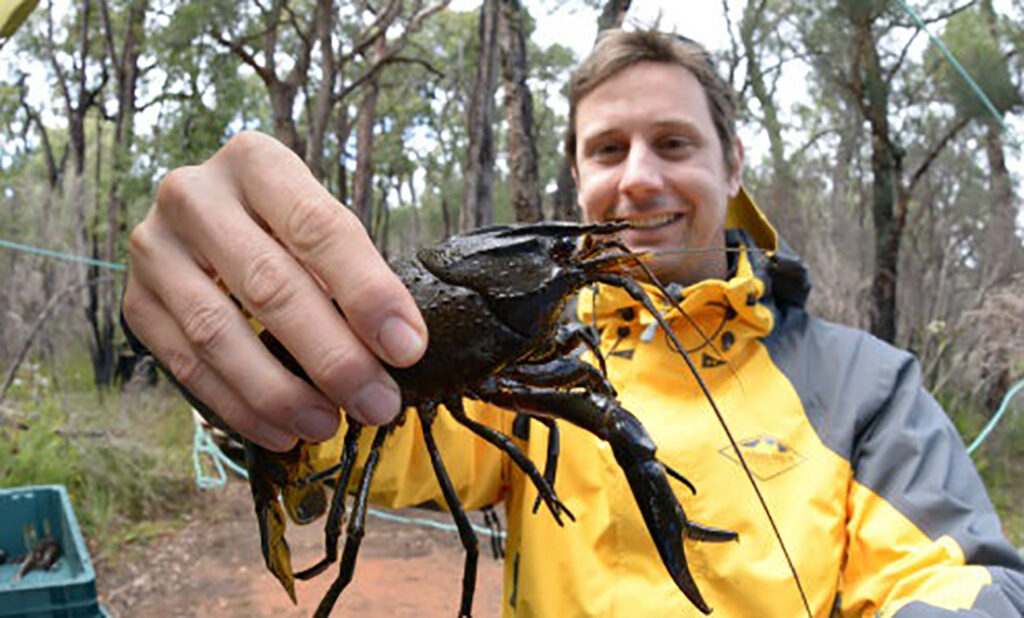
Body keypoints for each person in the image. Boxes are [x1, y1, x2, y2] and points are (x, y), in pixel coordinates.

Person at [122, 28, 1024, 617]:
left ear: (734, 162)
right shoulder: (549, 367)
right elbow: (347, 440)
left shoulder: (866, 386)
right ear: (579, 172)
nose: (637, 180)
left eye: (673, 143)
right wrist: (242, 351)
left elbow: (963, 581)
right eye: (607, 149)